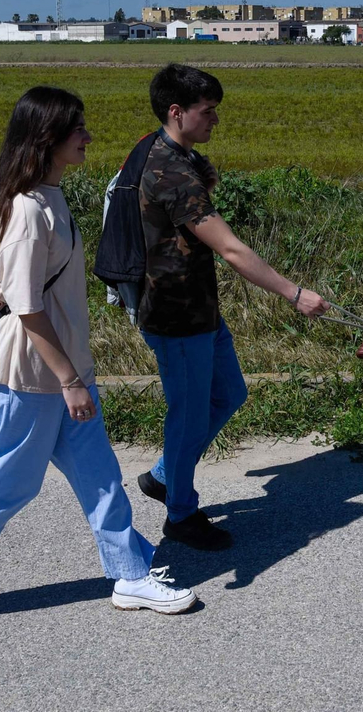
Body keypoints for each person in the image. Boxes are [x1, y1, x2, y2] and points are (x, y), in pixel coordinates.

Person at [0, 86, 194, 623]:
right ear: (47, 139)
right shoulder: (26, 212)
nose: (88, 136)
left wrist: (74, 372)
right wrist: (70, 380)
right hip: (29, 373)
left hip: (61, 370)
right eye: (77, 128)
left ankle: (130, 574)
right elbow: (27, 308)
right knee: (8, 478)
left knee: (99, 473)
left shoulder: (49, 198)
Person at [126, 64, 329, 551]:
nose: (216, 119)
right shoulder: (173, 173)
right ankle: (181, 513)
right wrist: (294, 294)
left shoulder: (173, 153)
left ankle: (162, 474)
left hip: (200, 311)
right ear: (177, 112)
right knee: (189, 416)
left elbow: (202, 187)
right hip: (176, 316)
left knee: (230, 393)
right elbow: (232, 249)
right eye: (207, 111)